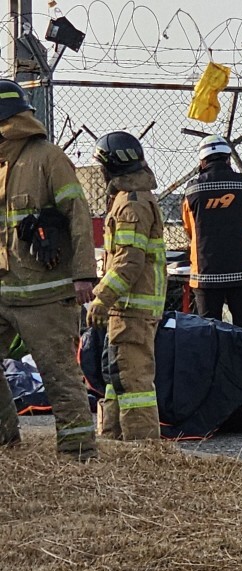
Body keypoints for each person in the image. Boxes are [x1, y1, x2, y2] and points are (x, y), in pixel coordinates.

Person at [0, 79, 97, 460]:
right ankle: (5, 442)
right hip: (4, 291)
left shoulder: (48, 158)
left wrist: (84, 275)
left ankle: (78, 456)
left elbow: (78, 215)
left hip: (46, 295)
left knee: (59, 376)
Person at [87, 131, 166, 441]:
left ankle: (141, 451)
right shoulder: (125, 199)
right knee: (116, 377)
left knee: (133, 383)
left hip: (132, 308)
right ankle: (112, 442)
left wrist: (101, 298)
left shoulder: (132, 205)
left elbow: (128, 264)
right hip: (126, 308)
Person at [181, 134, 242, 333]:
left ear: (202, 161)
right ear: (228, 158)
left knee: (209, 332)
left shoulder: (192, 191)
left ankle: (213, 365)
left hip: (206, 275)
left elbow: (189, 229)